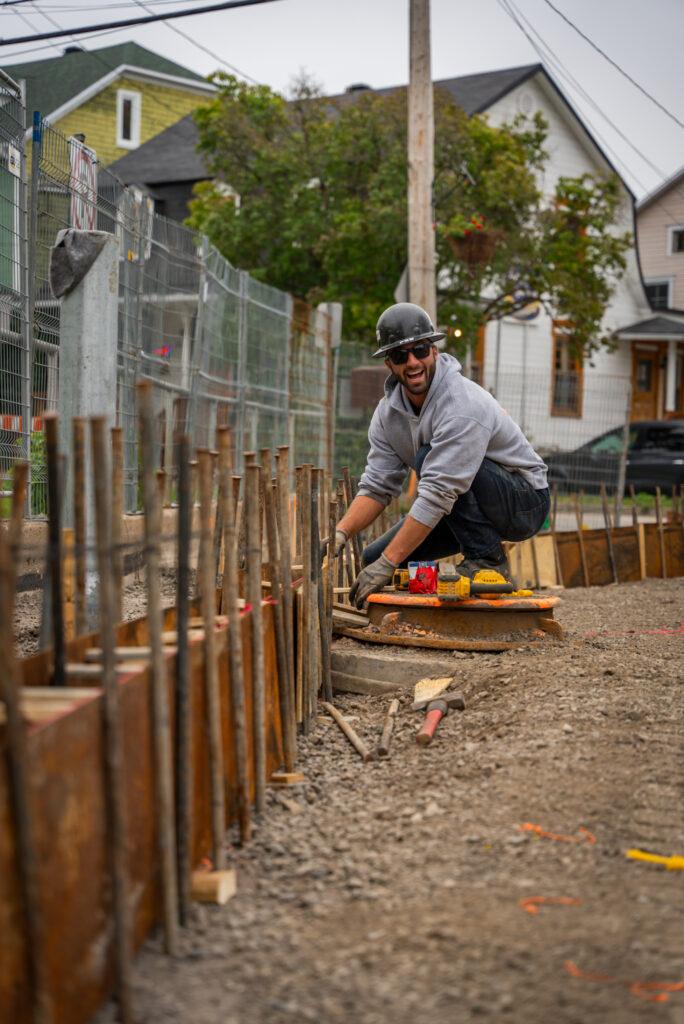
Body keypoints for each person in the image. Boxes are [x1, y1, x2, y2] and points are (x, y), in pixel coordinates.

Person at [334, 302, 550, 608]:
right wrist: (341, 532)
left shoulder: (462, 404)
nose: (412, 362)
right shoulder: (387, 415)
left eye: (420, 350)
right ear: (389, 364)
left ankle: (488, 561)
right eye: (399, 355)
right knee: (373, 561)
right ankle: (469, 558)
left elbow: (438, 492)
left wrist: (388, 560)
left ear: (434, 351)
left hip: (525, 500)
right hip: (460, 503)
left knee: (427, 460)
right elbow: (377, 487)